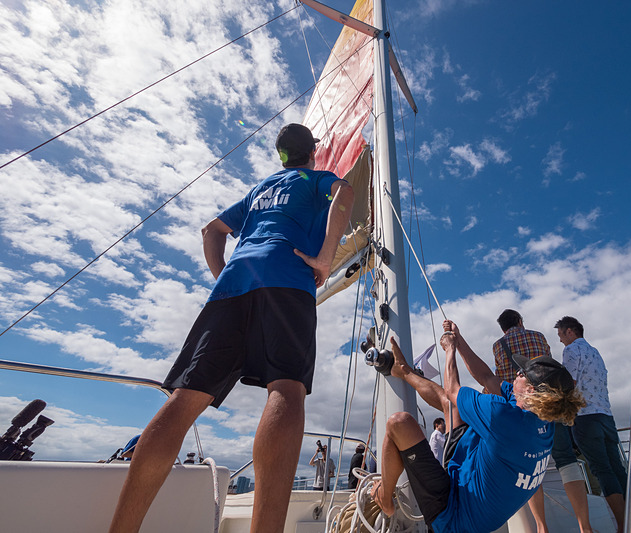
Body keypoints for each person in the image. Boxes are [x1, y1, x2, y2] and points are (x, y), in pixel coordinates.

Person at [108, 123, 354, 533]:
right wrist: (326, 257)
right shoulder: (315, 179)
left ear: (281, 156)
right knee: (286, 388)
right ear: (312, 153)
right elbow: (344, 193)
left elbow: (212, 230)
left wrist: (225, 276)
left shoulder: (260, 190)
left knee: (185, 398)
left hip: (232, 286)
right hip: (287, 279)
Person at [371, 321, 585, 533]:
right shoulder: (544, 421)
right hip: (478, 504)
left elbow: (452, 390)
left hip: (452, 515)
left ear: (530, 391)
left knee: (399, 423)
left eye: (522, 373)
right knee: (453, 408)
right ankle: (404, 371)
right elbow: (487, 377)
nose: (517, 373)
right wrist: (460, 340)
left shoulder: (502, 415)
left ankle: (385, 498)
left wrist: (450, 349)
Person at [494, 310, 593, 533]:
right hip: (550, 402)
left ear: (503, 328)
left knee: (529, 465)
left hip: (524, 410)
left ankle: (541, 527)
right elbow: (549, 365)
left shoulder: (498, 345)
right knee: (566, 460)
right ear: (520, 321)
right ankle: (584, 526)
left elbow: (499, 376)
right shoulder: (538, 336)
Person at [555, 316, 627, 533]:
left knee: (602, 470)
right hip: (606, 416)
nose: (560, 341)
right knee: (617, 468)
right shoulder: (595, 352)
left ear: (570, 331)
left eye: (560, 335)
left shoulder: (571, 350)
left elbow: (569, 383)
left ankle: (624, 526)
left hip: (585, 417)